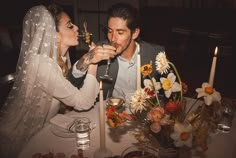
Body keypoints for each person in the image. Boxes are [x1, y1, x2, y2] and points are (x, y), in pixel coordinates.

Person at [0, 4, 117, 158]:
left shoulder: (59, 58)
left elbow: (66, 87)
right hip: (21, 138)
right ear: (54, 35)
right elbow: (84, 102)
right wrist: (93, 63)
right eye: (70, 26)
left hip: (44, 130)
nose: (76, 28)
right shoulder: (42, 64)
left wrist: (88, 58)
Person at [68, 3, 165, 99]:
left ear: (135, 33)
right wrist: (86, 59)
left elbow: (169, 91)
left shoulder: (155, 53)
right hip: (109, 111)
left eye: (120, 32)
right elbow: (71, 83)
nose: (113, 38)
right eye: (110, 31)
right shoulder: (99, 50)